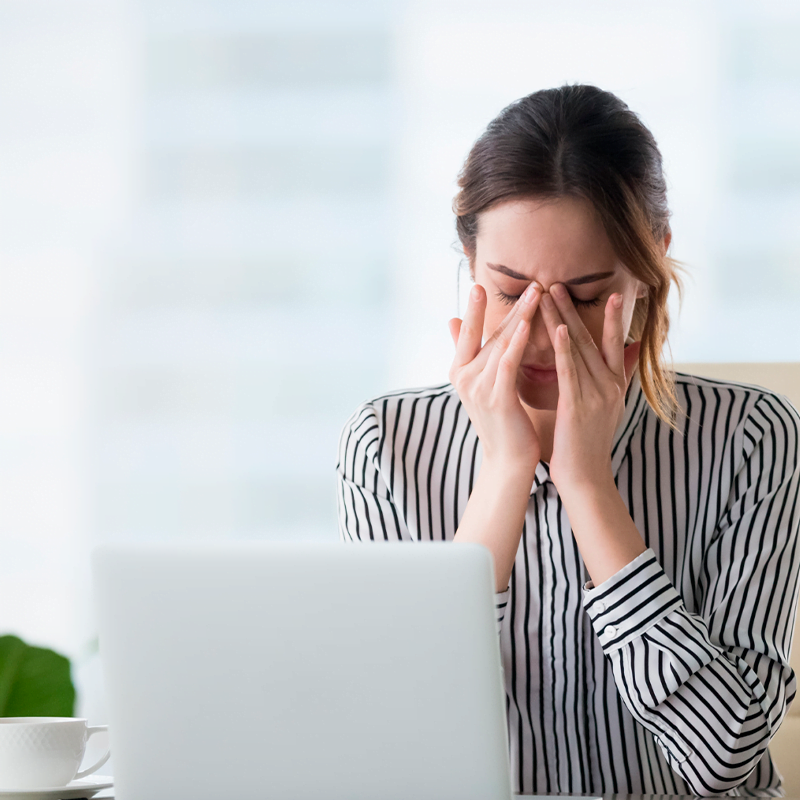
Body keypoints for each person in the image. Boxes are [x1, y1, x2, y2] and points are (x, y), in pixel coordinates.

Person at [336, 84, 800, 796]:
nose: (545, 332)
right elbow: (397, 745)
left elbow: (725, 760)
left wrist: (588, 486)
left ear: (648, 269)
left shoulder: (750, 439)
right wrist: (505, 472)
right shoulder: (387, 444)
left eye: (584, 296)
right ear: (469, 264)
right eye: (509, 287)